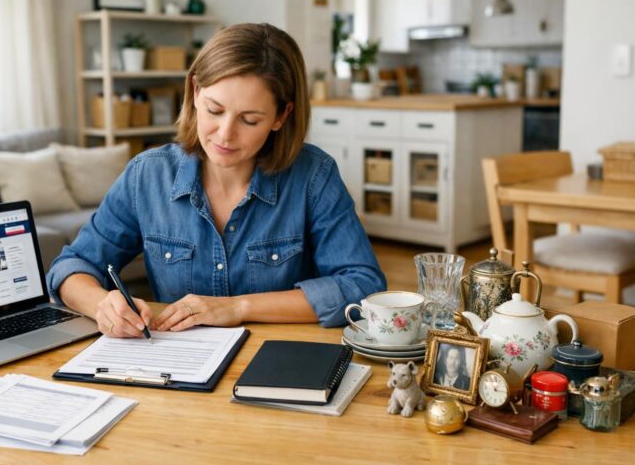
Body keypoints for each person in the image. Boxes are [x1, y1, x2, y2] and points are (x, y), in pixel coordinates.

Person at [47, 23, 386, 338]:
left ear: (282, 116)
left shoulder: (314, 176)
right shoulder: (147, 175)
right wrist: (101, 305)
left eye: (250, 120)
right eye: (214, 110)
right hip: (179, 370)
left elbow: (362, 286)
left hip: (279, 365)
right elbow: (72, 267)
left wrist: (239, 307)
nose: (225, 134)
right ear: (195, 92)